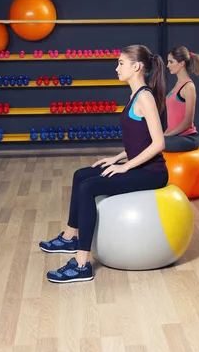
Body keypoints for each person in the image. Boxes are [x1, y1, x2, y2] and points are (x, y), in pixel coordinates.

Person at [39, 45, 169, 283]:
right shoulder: (134, 95)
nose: (116, 67)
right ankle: (70, 237)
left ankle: (81, 264)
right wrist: (117, 158)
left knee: (89, 187)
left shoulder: (145, 97)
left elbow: (159, 143)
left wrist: (126, 166)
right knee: (81, 175)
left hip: (153, 172)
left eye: (121, 63)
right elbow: (140, 139)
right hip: (138, 165)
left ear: (136, 66)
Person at [163, 46, 199, 152]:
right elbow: (174, 120)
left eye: (171, 62)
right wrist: (165, 134)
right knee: (150, 142)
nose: (168, 65)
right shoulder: (177, 84)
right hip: (175, 136)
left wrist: (167, 135)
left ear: (181, 63)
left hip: (188, 138)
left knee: (153, 145)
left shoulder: (189, 86)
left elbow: (188, 122)